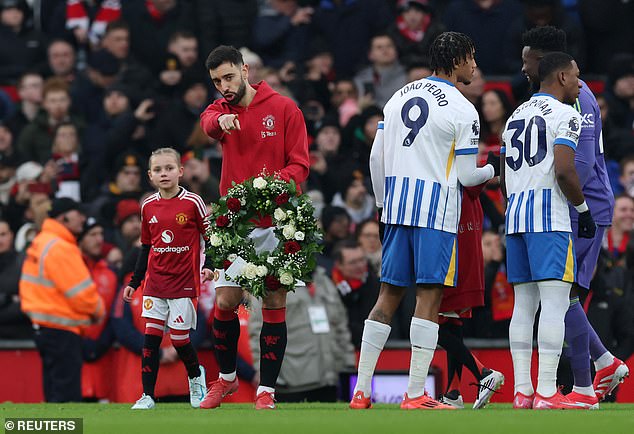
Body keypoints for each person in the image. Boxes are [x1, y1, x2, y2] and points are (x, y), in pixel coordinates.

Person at [351, 31, 496, 410]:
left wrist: (384, 204)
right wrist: (493, 168)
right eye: (471, 58)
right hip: (436, 212)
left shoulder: (398, 96)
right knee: (429, 300)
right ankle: (415, 393)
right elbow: (467, 177)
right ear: (458, 59)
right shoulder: (464, 109)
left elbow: (375, 158)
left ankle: (361, 391)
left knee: (387, 296)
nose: (475, 66)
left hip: (397, 210)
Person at [520, 26, 629, 408]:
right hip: (569, 205)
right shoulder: (550, 98)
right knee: (563, 295)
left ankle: (595, 373)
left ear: (549, 61)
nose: (522, 67)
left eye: (527, 59)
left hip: (582, 205)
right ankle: (594, 375)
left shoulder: (577, 97)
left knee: (561, 292)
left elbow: (579, 164)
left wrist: (569, 206)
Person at [199, 45, 309, 410]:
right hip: (235, 227)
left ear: (245, 70)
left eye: (229, 77)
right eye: (217, 81)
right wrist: (221, 120)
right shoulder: (221, 110)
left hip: (276, 224)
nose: (224, 86)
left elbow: (300, 165)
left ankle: (267, 391)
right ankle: (227, 380)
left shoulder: (284, 109)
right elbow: (207, 123)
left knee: (274, 301)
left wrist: (270, 188)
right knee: (226, 301)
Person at [502, 51, 595, 410]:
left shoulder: (515, 116)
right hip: (549, 219)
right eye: (575, 76)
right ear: (560, 78)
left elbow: (505, 176)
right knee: (555, 306)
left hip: (516, 218)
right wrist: (583, 210)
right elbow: (564, 171)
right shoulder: (566, 114)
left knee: (523, 307)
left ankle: (522, 391)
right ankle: (546, 392)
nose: (579, 83)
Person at [122, 147, 212, 410]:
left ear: (180, 172)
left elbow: (211, 239)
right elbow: (146, 247)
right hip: (155, 283)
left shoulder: (193, 202)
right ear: (150, 176)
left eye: (169, 168)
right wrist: (134, 282)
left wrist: (211, 265)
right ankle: (147, 395)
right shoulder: (148, 206)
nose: (164, 174)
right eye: (158, 170)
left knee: (180, 339)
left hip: (184, 283)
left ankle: (196, 377)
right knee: (150, 337)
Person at [19, 197, 105, 402]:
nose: (83, 219)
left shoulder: (42, 241)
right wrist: (98, 310)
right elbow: (81, 294)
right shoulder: (61, 247)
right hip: (62, 329)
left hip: (45, 326)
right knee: (67, 397)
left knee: (54, 393)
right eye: (78, 214)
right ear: (64, 217)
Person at [437, 184, 505, 410]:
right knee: (452, 326)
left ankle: (483, 372)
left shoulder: (451, 183)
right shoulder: (473, 191)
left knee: (427, 325)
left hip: (451, 261)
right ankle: (453, 393)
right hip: (467, 263)